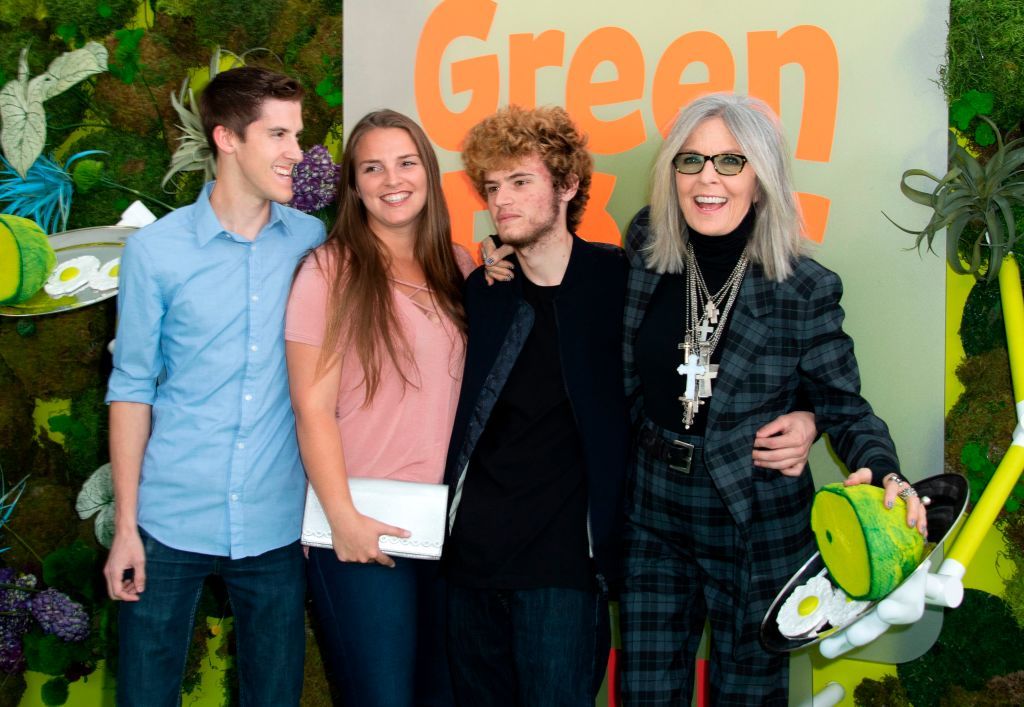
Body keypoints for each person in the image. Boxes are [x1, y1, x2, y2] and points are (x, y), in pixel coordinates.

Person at [618, 92, 928, 706]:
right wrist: (499, 253)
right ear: (671, 173)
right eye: (692, 161)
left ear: (761, 179)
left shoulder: (804, 287)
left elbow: (844, 404)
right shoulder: (647, 247)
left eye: (731, 162)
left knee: (748, 697)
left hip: (755, 520)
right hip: (654, 509)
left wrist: (884, 470)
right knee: (645, 692)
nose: (708, 179)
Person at [103, 67, 324, 706]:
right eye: (278, 135)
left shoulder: (313, 244)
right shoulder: (156, 251)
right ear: (227, 139)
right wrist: (125, 527)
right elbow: (132, 387)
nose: (297, 153)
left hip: (276, 524)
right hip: (169, 519)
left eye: (299, 135)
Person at [285, 109, 474, 706]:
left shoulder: (461, 267)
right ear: (354, 184)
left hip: (449, 534)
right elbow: (311, 407)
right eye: (372, 167)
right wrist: (342, 519)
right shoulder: (328, 271)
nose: (392, 179)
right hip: (364, 532)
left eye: (406, 162)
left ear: (428, 172)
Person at [442, 105, 628, 707]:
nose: (502, 200)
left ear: (567, 186)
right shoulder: (484, 291)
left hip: (564, 570)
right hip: (469, 563)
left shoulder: (618, 280)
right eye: (493, 188)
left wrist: (805, 411)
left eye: (520, 182)